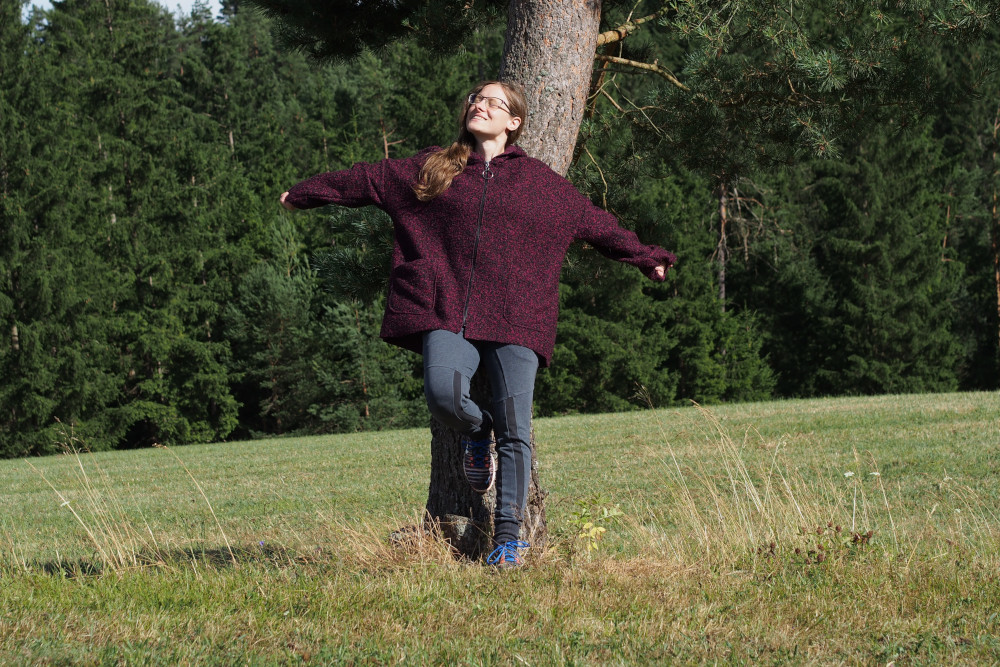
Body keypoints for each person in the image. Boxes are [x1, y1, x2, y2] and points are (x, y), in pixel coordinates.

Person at [280, 80, 676, 568]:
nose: (480, 105)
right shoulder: (433, 168)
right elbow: (366, 179)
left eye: (494, 103)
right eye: (476, 98)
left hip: (517, 317)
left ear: (514, 123)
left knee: (518, 429)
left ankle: (508, 539)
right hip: (447, 310)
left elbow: (593, 223)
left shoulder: (539, 183)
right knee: (443, 393)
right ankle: (476, 428)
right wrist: (305, 194)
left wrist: (646, 257)